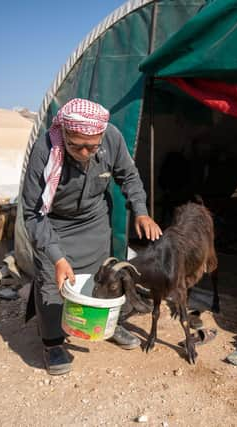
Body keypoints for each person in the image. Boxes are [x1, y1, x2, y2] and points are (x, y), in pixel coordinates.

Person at [21, 98, 162, 375]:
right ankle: (53, 344)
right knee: (53, 281)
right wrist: (57, 256)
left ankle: (109, 326)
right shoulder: (45, 150)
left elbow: (129, 176)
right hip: (54, 224)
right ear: (63, 134)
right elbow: (33, 213)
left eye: (92, 146)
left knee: (103, 277)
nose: (85, 153)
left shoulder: (111, 138)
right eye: (76, 146)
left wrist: (141, 211)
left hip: (94, 220)